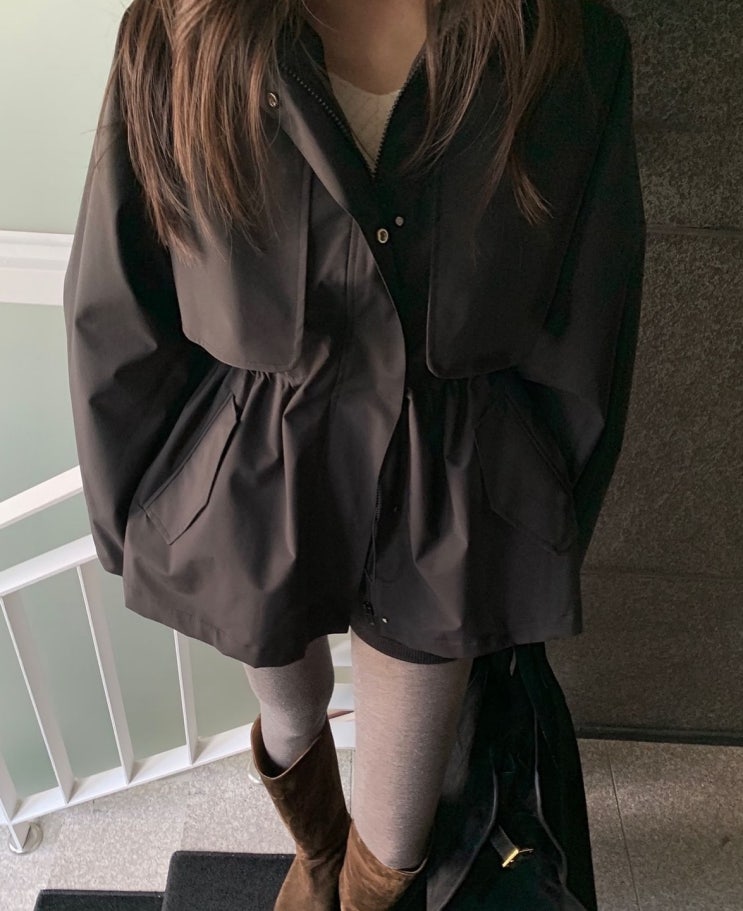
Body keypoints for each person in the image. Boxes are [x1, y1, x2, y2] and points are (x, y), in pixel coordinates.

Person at [62, 0, 646, 909]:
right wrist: (130, 514)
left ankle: (364, 894)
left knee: (402, 813)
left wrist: (544, 521)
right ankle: (316, 858)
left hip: (451, 480)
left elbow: (592, 306)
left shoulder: (564, 43)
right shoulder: (177, 32)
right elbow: (118, 295)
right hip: (254, 473)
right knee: (289, 711)